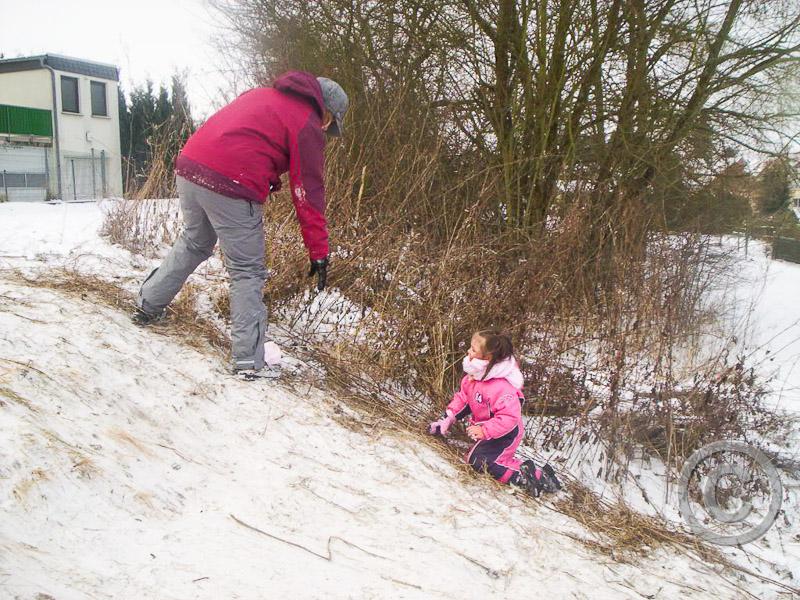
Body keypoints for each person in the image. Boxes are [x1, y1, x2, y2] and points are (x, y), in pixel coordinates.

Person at [132, 71, 348, 380]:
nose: (326, 128)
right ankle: (249, 361)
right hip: (231, 183)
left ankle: (147, 304)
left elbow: (241, 138)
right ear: (324, 109)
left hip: (190, 168)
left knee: (194, 242)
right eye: (330, 121)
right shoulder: (307, 123)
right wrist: (319, 251)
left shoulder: (260, 95)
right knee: (247, 270)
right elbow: (308, 192)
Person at [428, 330, 559, 496]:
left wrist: (485, 430)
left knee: (479, 461)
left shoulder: (501, 387)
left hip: (506, 433)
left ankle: (530, 477)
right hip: (491, 430)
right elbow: (464, 399)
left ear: (487, 358)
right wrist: (448, 418)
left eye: (473, 350)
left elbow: (509, 417)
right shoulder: (475, 376)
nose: (468, 351)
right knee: (477, 457)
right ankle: (531, 472)